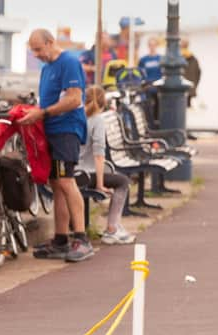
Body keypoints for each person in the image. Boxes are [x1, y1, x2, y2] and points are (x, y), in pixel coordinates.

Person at [19, 29, 94, 262]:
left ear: (51, 43)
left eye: (39, 49)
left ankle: (82, 238)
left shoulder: (69, 63)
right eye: (33, 51)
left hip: (66, 130)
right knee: (56, 184)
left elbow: (74, 99)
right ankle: (61, 238)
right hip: (51, 131)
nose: (37, 54)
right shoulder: (46, 69)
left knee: (65, 180)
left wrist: (42, 113)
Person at [80, 85, 135, 245]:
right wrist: (100, 184)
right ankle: (112, 228)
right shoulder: (97, 120)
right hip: (86, 174)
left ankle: (114, 227)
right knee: (122, 181)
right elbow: (98, 155)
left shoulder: (78, 117)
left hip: (73, 172)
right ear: (104, 102)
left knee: (116, 178)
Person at [181, 38, 201, 108]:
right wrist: (194, 86)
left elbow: (198, 73)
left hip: (184, 89)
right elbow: (198, 74)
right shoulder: (193, 59)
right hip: (187, 89)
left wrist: (194, 86)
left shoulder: (193, 59)